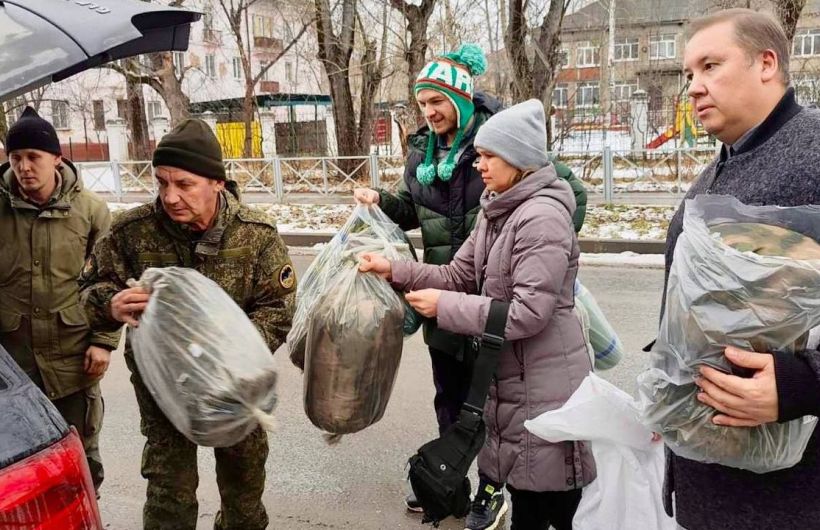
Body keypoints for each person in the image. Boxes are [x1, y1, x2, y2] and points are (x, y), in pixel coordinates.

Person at [353, 43, 587, 527]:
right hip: (502, 353)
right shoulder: (496, 209)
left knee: (548, 500)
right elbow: (458, 274)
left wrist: (449, 304)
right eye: (477, 156)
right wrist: (391, 269)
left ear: (516, 159)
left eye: (487, 157)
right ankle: (469, 487)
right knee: (470, 416)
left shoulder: (540, 216)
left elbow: (527, 312)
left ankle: (489, 495)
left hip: (538, 370)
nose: (479, 166)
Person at [79, 119, 296, 530]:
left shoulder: (255, 235)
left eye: (184, 184)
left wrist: (231, 357)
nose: (170, 196)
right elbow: (87, 290)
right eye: (162, 183)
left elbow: (279, 307)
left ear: (216, 181)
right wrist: (111, 304)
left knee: (244, 494)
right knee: (168, 495)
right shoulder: (132, 232)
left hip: (235, 388)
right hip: (162, 390)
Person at [655, 9, 820, 529]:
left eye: (710, 66)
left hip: (792, 494)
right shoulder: (716, 170)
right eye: (688, 75)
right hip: (713, 476)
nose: (695, 88)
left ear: (767, 62)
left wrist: (803, 383)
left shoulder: (813, 151)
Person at [0, 106, 117, 492]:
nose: (24, 166)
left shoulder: (91, 211)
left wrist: (104, 341)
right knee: (20, 469)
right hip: (14, 363)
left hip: (73, 357)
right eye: (16, 157)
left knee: (81, 460)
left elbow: (111, 282)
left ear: (57, 158)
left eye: (34, 157)